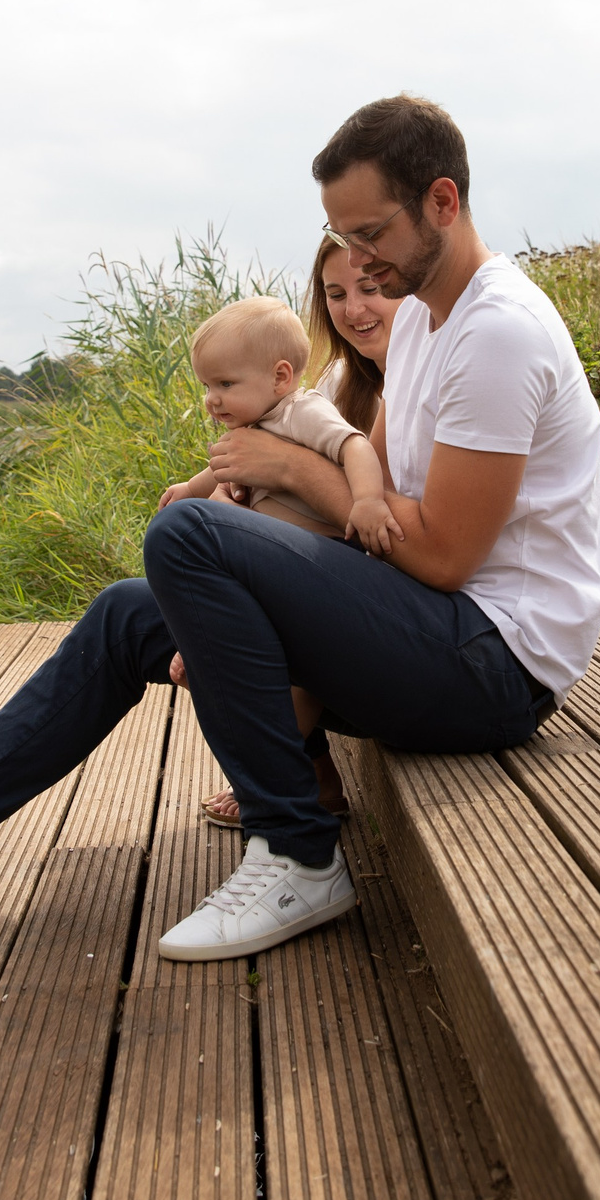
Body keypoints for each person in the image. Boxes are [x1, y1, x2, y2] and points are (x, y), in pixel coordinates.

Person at [0, 94, 600, 963]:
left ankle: (300, 852)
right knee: (132, 612)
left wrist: (284, 472)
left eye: (372, 234)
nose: (358, 261)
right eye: (342, 239)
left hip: (493, 663)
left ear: (442, 202)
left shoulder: (498, 332)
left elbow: (449, 556)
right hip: (429, 624)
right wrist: (229, 615)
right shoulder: (424, 317)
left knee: (186, 538)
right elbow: (370, 491)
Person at [196, 238, 393, 829]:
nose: (354, 307)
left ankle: (277, 778)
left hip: (336, 572)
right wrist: (203, 492)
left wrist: (361, 498)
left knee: (291, 669)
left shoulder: (313, 405)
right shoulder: (336, 382)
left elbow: (352, 460)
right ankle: (304, 775)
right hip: (282, 567)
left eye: (372, 287)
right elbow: (227, 465)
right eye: (336, 293)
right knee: (161, 598)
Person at [158, 295, 399, 553]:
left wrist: (367, 500)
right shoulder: (254, 425)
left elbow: (355, 446)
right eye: (207, 386)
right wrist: (190, 489)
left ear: (279, 377)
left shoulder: (300, 412)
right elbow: (220, 469)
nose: (211, 399)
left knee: (184, 528)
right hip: (276, 545)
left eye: (225, 384)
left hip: (326, 548)